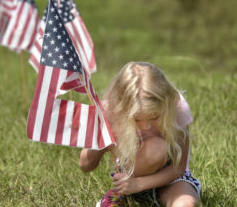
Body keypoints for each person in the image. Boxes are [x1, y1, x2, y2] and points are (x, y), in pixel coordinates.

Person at [79, 62, 201, 207]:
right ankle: (124, 195)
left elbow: (178, 168)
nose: (146, 126)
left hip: (170, 178)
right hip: (130, 177)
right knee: (156, 148)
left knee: (186, 204)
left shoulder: (175, 106)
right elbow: (85, 165)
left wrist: (138, 184)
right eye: (136, 119)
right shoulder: (109, 111)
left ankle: (137, 194)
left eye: (155, 116)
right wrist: (103, 141)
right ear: (121, 107)